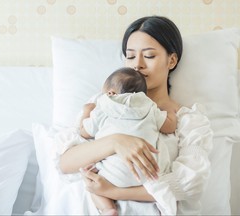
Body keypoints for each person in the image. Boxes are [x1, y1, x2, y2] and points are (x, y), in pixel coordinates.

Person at [57, 15, 213, 215]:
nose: (137, 64)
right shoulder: (104, 102)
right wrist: (116, 142)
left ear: (171, 60)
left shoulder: (188, 120)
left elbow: (189, 183)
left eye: (148, 56)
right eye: (130, 56)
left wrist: (114, 191)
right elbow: (65, 163)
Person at [78, 67, 177, 215]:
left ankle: (108, 209)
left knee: (90, 179)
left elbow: (84, 132)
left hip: (113, 175)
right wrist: (170, 113)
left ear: (110, 93)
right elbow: (169, 127)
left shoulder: (103, 106)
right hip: (147, 174)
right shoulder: (149, 106)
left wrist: (87, 111)